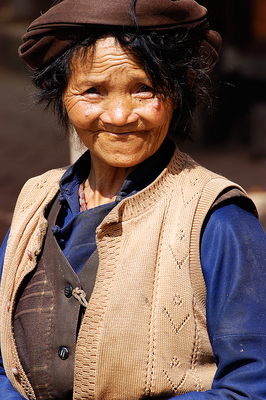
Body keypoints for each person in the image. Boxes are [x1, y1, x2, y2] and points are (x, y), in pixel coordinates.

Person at [0, 0, 266, 399]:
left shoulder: (218, 218)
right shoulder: (36, 203)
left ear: (180, 92)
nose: (120, 115)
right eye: (93, 90)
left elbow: (251, 385)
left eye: (145, 89)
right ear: (61, 94)